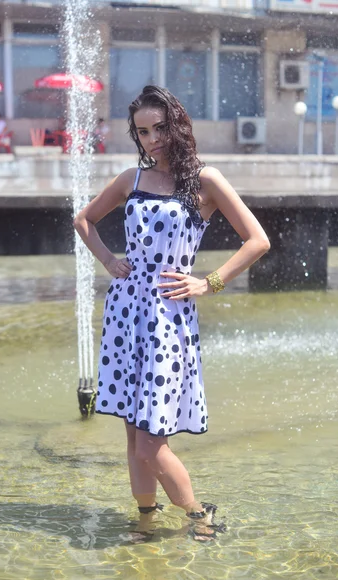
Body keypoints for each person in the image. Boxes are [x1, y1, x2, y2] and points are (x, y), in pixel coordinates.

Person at [74, 85, 270, 541]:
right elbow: (83, 220)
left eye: (160, 127)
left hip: (168, 319)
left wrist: (208, 282)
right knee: (131, 436)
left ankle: (201, 516)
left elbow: (257, 240)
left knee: (150, 441)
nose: (152, 138)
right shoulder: (131, 180)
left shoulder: (205, 181)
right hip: (125, 316)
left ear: (177, 124)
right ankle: (145, 521)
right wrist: (107, 260)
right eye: (143, 131)